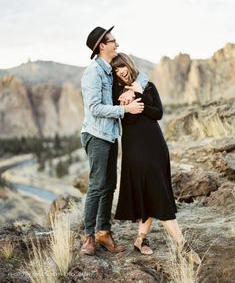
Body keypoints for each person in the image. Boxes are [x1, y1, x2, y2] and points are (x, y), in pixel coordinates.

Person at [111, 53, 201, 264]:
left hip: (157, 146)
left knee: (152, 192)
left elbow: (157, 113)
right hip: (136, 150)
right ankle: (183, 246)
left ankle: (140, 240)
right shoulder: (116, 92)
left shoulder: (147, 86)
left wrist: (139, 95)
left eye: (121, 66)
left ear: (128, 64)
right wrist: (132, 105)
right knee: (157, 192)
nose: (120, 71)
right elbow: (131, 119)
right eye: (115, 69)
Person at [80, 26, 148, 255]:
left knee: (109, 185)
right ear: (102, 45)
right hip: (96, 135)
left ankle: (104, 233)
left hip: (110, 135)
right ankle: (88, 237)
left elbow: (142, 75)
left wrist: (133, 89)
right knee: (97, 186)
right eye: (113, 41)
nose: (117, 44)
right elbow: (95, 108)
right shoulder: (93, 73)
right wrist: (126, 109)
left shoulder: (110, 70)